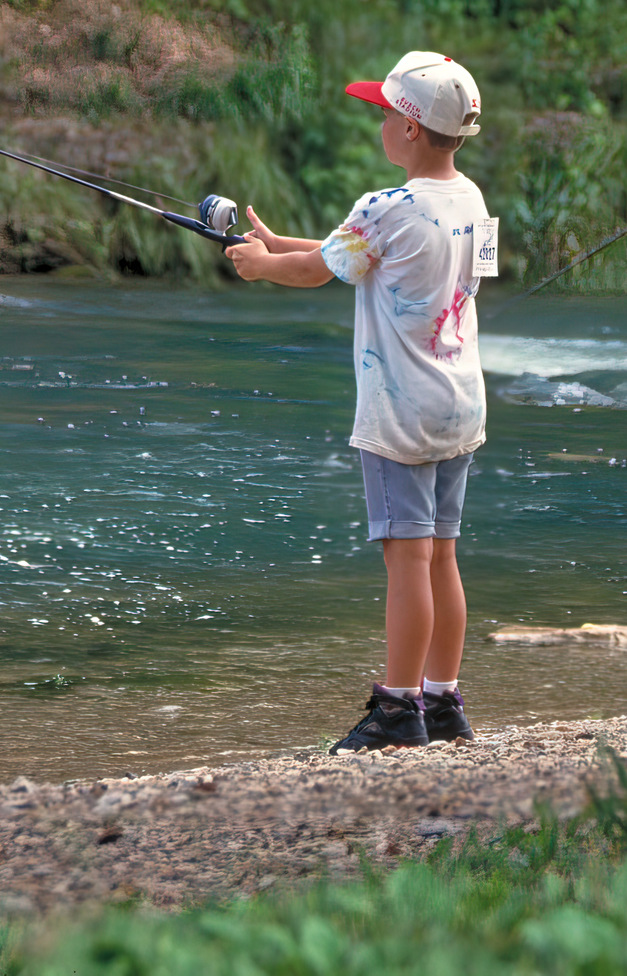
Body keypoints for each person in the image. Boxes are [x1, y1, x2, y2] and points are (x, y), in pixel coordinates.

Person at [225, 51, 490, 751]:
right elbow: (373, 253)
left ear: (407, 129)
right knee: (442, 556)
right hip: (461, 405)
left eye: (382, 111)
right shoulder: (471, 200)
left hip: (400, 414)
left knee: (405, 560)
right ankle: (444, 700)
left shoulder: (384, 206)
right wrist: (282, 243)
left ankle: (399, 709)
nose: (378, 121)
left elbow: (321, 271)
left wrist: (261, 266)